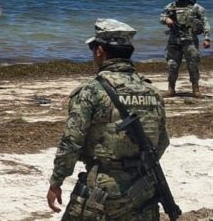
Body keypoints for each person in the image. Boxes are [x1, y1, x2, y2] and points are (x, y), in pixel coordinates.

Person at [46, 19, 170, 220]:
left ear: (99, 51)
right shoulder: (152, 91)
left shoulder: (91, 91)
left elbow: (71, 142)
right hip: (143, 185)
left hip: (103, 190)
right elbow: (162, 140)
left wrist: (56, 180)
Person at [159, 0, 210, 98]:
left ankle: (195, 89)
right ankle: (171, 89)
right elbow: (161, 16)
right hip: (174, 40)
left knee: (193, 65)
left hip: (190, 40)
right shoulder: (171, 6)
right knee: (172, 65)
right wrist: (166, 19)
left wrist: (207, 38)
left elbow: (205, 22)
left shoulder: (197, 8)